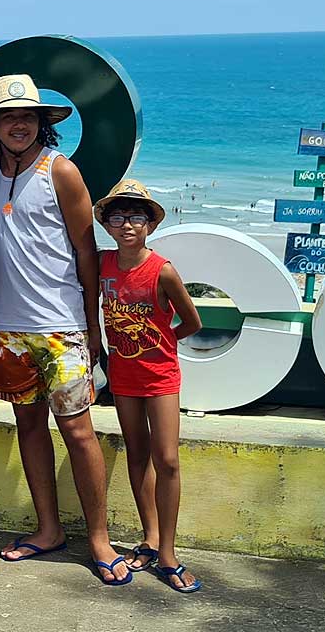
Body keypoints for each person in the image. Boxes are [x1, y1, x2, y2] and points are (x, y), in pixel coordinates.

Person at [0, 75, 129, 584]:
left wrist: (92, 325)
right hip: (5, 327)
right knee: (29, 427)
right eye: (9, 117)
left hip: (62, 327)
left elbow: (86, 251)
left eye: (28, 116)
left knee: (78, 431)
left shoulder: (61, 171)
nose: (19, 124)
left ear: (41, 123)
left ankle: (99, 540)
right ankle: (49, 529)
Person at [96, 179, 204, 592]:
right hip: (123, 377)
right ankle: (151, 538)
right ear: (106, 224)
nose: (127, 225)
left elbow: (192, 321)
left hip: (161, 377)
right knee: (137, 455)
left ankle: (169, 554)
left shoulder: (162, 270)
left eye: (136, 217)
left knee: (168, 460)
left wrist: (161, 343)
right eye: (118, 217)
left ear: (150, 224)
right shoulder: (103, 264)